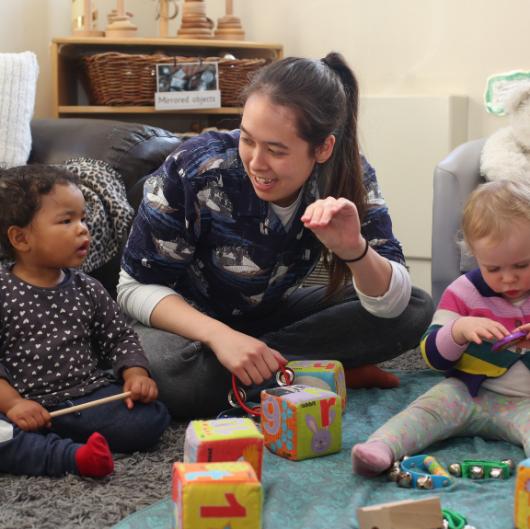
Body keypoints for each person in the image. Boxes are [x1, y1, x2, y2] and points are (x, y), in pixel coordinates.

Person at [118, 52, 433, 418]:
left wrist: (354, 250)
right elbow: (132, 287)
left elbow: (392, 305)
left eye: (276, 150)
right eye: (248, 140)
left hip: (268, 314)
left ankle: (264, 369)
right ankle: (316, 372)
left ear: (323, 148)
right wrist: (221, 337)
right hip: (184, 324)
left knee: (415, 306)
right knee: (171, 378)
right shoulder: (194, 166)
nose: (256, 162)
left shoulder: (348, 175)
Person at [0, 165, 170, 478]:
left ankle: (48, 444)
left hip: (85, 401)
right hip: (20, 403)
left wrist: (135, 373)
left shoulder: (87, 287)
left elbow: (119, 337)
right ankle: (71, 457)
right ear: (21, 238)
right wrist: (13, 405)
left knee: (152, 417)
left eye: (83, 218)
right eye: (67, 220)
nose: (83, 229)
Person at [352, 179, 530, 476]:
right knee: (427, 409)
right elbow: (432, 356)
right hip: (468, 391)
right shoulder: (463, 292)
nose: (508, 279)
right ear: (473, 254)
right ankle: (381, 447)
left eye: (522, 266)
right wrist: (458, 330)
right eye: (494, 269)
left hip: (525, 402)